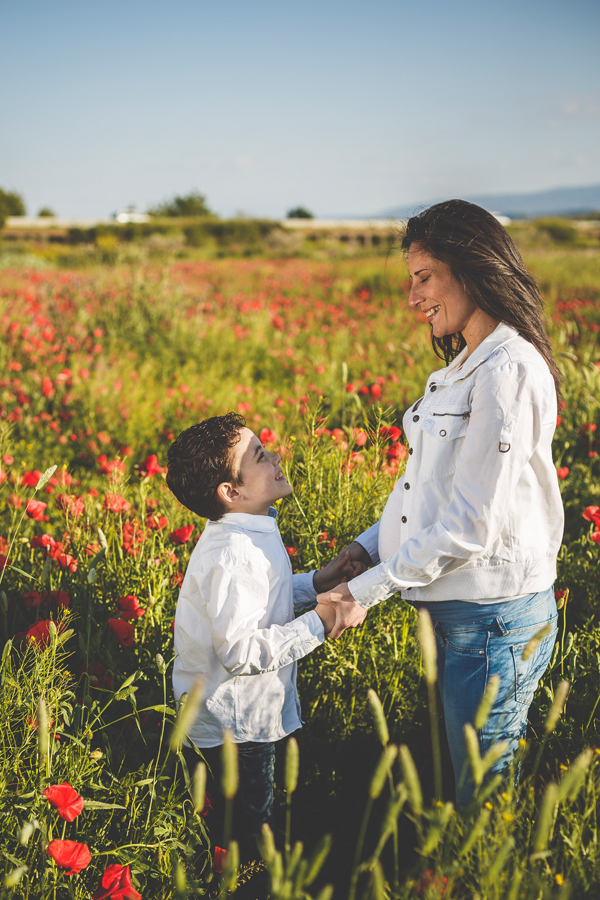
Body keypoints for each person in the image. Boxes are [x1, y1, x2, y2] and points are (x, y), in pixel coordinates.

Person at [317, 200, 564, 808]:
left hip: (491, 624)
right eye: (411, 280)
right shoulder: (467, 366)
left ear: (471, 267)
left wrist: (365, 589)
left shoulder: (506, 370)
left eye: (424, 276)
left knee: (480, 799)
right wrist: (364, 548)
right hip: (462, 623)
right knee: (462, 786)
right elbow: (423, 490)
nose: (412, 297)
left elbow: (470, 526)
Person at [166, 412, 359, 862]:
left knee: (235, 826)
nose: (274, 457)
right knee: (246, 836)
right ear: (230, 492)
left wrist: (316, 583)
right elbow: (239, 650)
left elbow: (262, 598)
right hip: (236, 728)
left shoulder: (244, 530)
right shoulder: (235, 554)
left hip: (239, 718)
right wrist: (322, 623)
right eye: (259, 455)